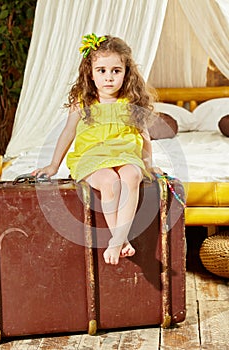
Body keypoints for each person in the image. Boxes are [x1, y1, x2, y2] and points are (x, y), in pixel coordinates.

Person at [35, 33, 159, 265]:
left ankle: (116, 241)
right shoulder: (83, 102)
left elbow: (144, 136)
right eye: (102, 70)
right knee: (109, 182)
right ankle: (121, 240)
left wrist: (150, 165)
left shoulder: (130, 102)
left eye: (116, 71)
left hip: (124, 152)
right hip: (92, 156)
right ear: (90, 73)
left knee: (131, 175)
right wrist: (53, 165)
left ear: (126, 72)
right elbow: (68, 133)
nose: (109, 77)